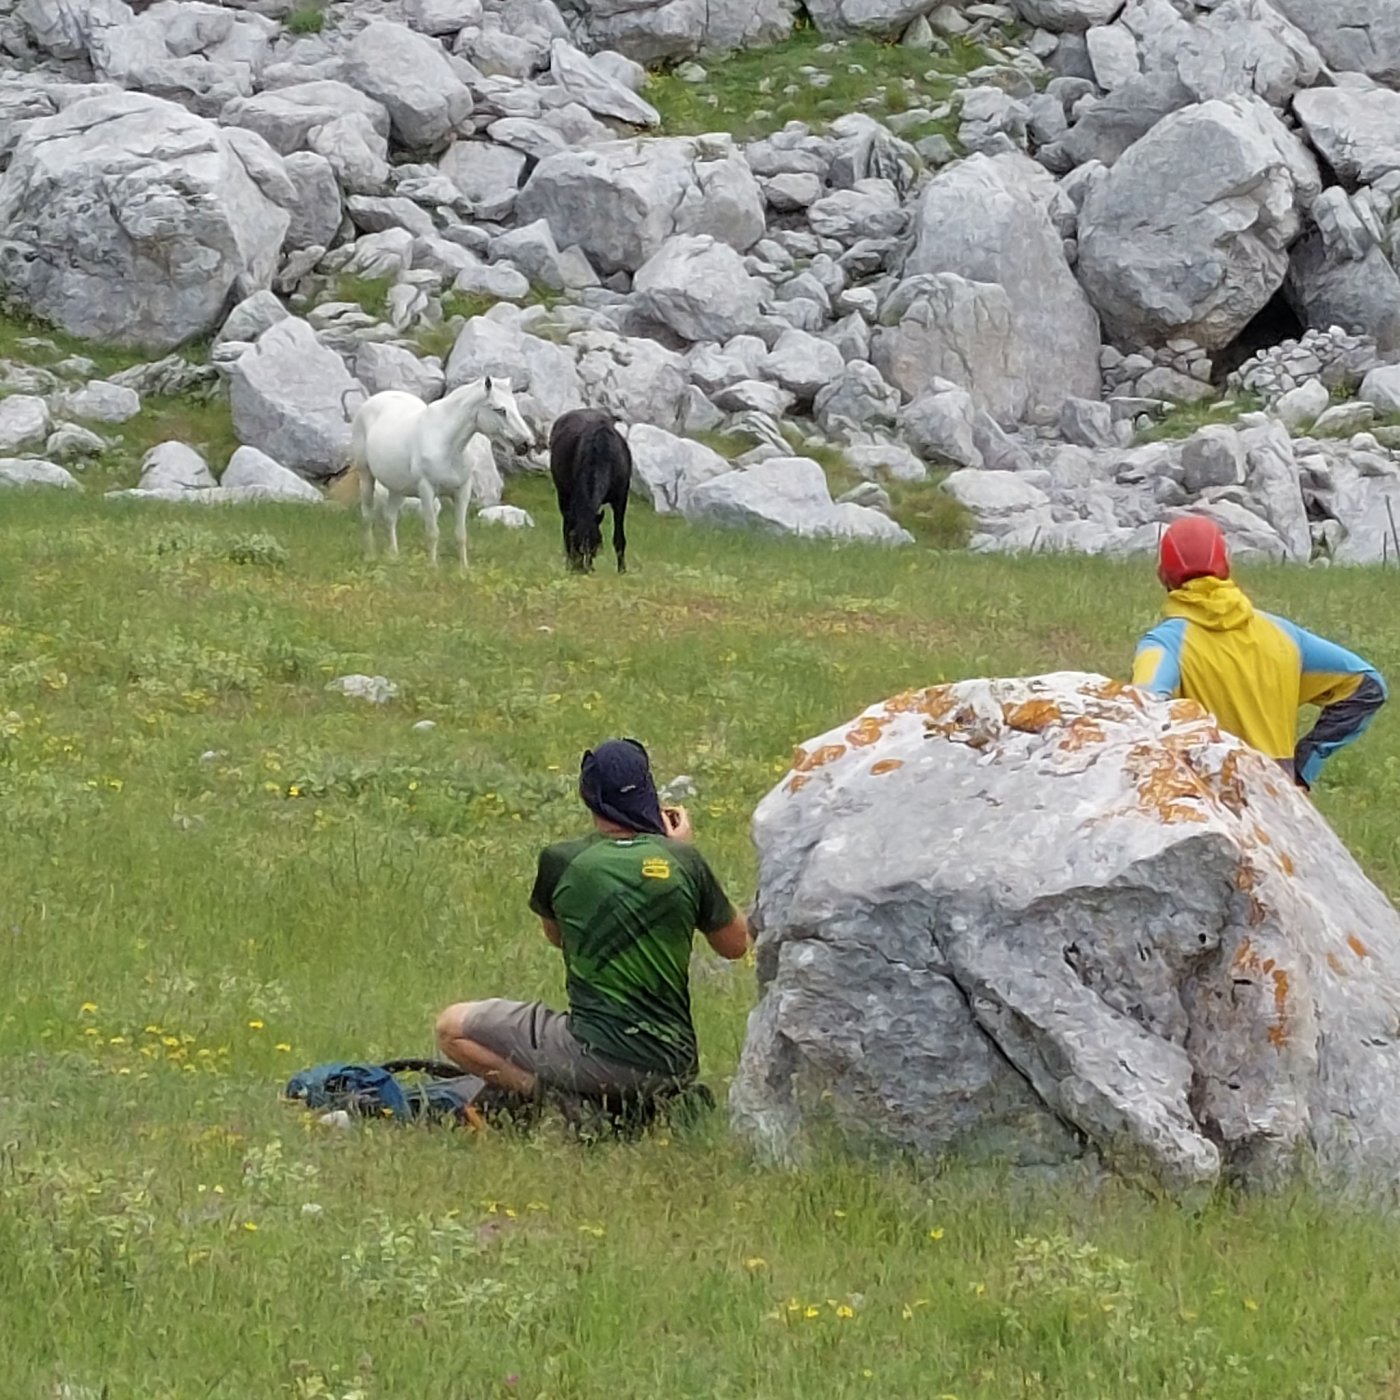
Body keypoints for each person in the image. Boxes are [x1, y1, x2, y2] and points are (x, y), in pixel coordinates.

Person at [436, 738, 750, 1105]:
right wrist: (678, 849)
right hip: (674, 1065)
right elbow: (736, 945)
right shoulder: (685, 861)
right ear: (648, 793)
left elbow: (559, 937)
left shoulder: (562, 860)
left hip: (594, 1057)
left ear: (588, 795)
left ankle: (557, 1102)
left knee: (451, 1026)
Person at [1132, 516, 1387, 789]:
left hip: (1208, 802)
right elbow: (1368, 687)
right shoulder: (1283, 635)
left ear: (1162, 575)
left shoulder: (1163, 645)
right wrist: (1302, 768)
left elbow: (1143, 709)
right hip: (1279, 800)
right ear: (1227, 567)